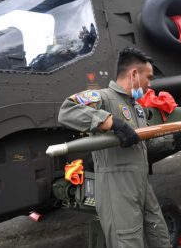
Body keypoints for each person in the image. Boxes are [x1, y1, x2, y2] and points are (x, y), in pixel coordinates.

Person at [58, 47, 171, 248]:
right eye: (149, 78)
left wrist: (177, 134)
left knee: (159, 233)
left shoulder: (136, 106)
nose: (149, 84)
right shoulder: (103, 97)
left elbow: (143, 143)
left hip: (141, 184)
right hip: (117, 191)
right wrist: (112, 122)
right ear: (134, 74)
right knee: (127, 242)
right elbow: (67, 110)